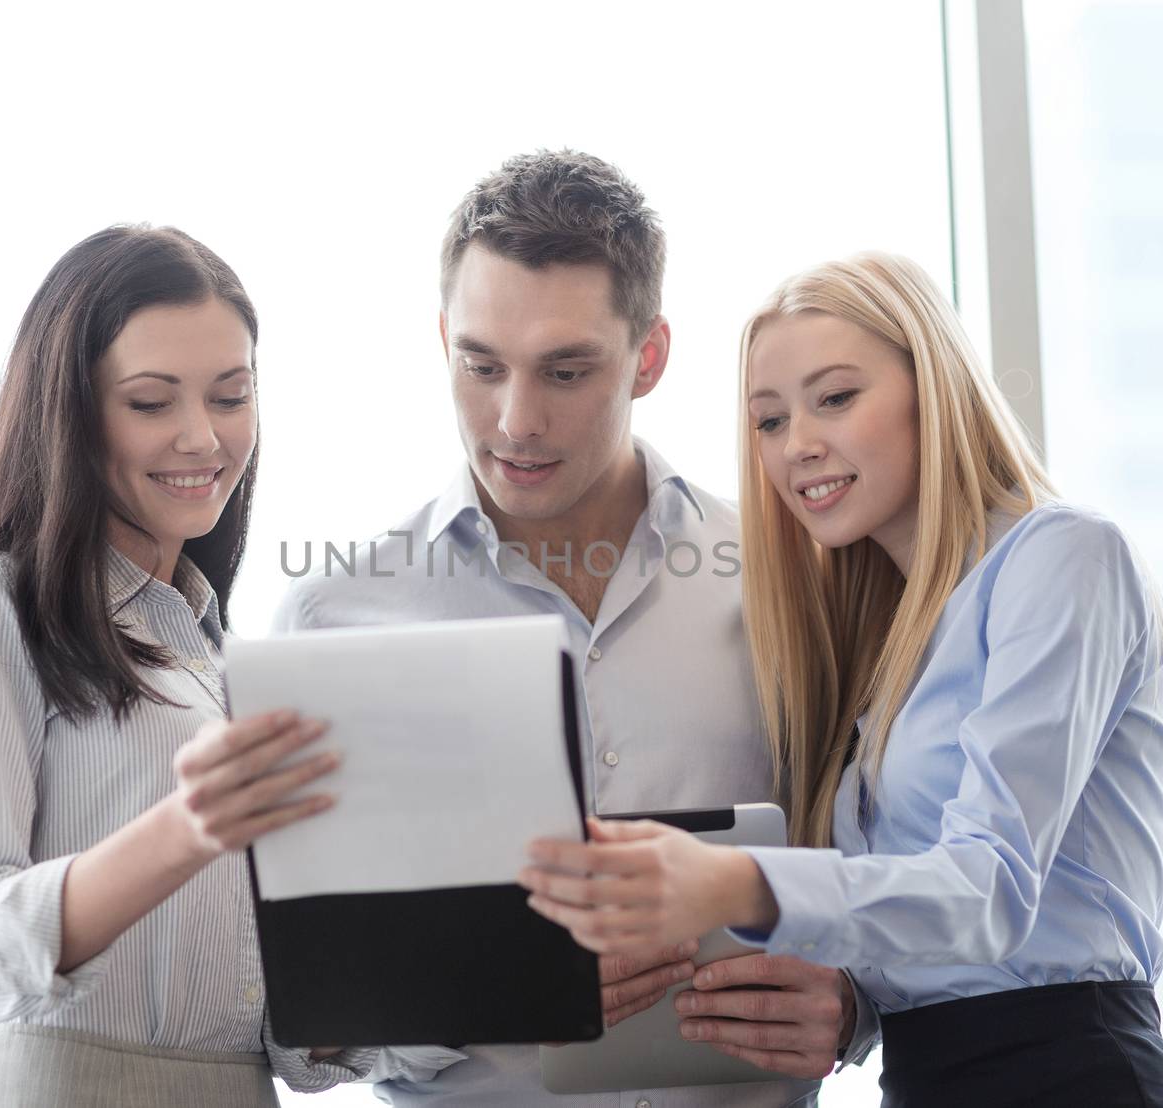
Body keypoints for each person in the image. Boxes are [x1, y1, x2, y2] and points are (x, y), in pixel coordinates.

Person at [519, 252, 1163, 1107]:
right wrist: (842, 1004)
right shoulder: (884, 638)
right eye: (768, 421)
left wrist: (728, 883)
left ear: (932, 388)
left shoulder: (1064, 559)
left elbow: (988, 889)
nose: (797, 444)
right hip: (923, 1080)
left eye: (836, 398)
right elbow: (916, 944)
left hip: (1069, 1071)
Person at [274, 151, 875, 1106]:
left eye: (565, 370)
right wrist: (500, 985)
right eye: (480, 365)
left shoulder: (794, 577)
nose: (516, 420)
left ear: (650, 356)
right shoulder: (335, 619)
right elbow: (302, 1040)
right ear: (442, 340)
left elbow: (898, 872)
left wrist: (856, 1007)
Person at [0, 225, 372, 1106]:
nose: (203, 438)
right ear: (69, 412)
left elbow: (292, 1041)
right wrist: (186, 830)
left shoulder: (216, 658)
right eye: (152, 403)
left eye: (231, 396)